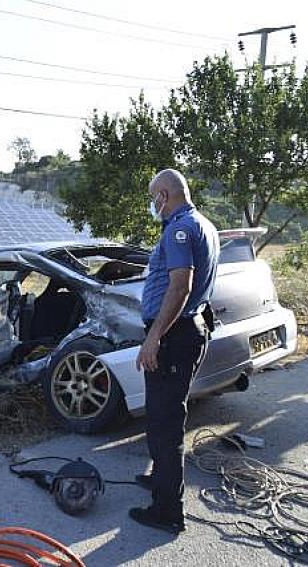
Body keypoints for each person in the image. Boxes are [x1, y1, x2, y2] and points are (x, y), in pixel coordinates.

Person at [130, 169, 220, 534]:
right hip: (185, 330)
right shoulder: (205, 225)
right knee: (161, 415)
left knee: (165, 422)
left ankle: (168, 511)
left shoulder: (179, 228)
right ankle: (162, 482)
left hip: (173, 336)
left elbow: (181, 286)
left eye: (154, 198)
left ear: (164, 195)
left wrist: (154, 337)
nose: (154, 205)